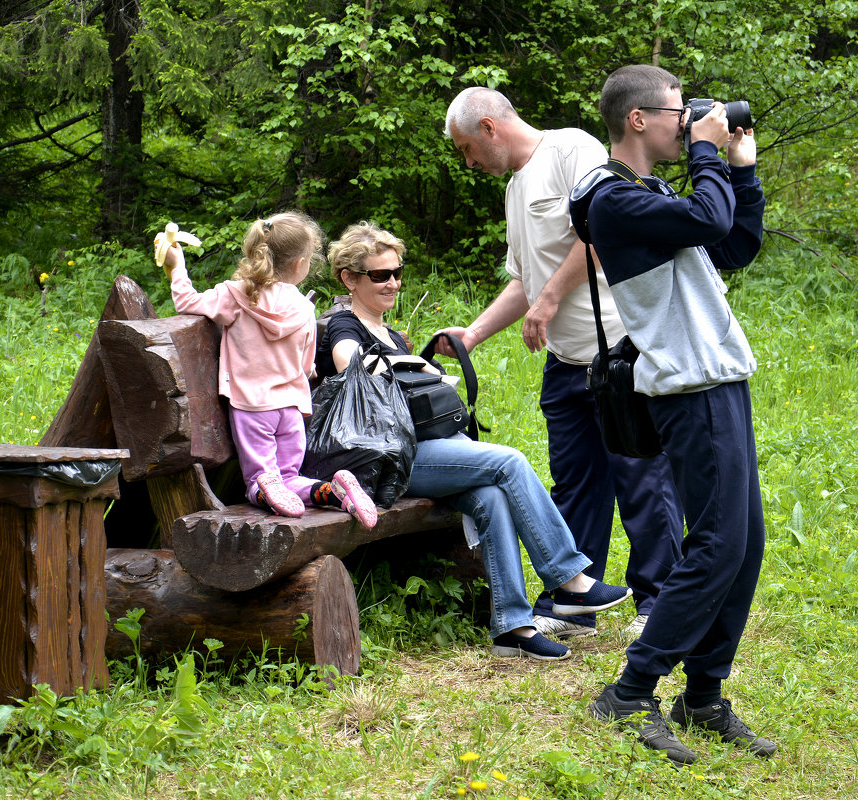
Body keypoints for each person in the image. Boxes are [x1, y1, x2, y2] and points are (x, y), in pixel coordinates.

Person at [568, 65, 776, 763]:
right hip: (688, 389)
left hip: (719, 380)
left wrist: (738, 167)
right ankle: (628, 692)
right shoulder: (610, 201)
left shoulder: (647, 195)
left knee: (743, 546)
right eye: (678, 113)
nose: (686, 123)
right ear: (637, 119)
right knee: (716, 543)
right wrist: (709, 153)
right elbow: (708, 216)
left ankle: (703, 696)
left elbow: (733, 241)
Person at [317, 220, 632, 660]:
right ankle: (567, 580)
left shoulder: (390, 331)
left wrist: (414, 361)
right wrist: (417, 364)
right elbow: (351, 363)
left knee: (492, 496)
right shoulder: (342, 324)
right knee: (509, 462)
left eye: (396, 272)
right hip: (384, 462)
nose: (392, 283)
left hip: (419, 446)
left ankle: (513, 628)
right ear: (348, 278)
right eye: (379, 275)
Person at [438, 87, 684, 642]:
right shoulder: (514, 190)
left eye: (467, 148)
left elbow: (604, 230)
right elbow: (525, 280)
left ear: (489, 127)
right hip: (566, 361)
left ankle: (659, 602)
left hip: (620, 350)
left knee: (641, 475)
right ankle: (577, 600)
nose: (469, 162)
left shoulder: (571, 149)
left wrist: (548, 300)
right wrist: (473, 335)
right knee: (575, 483)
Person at [162, 212, 378, 528]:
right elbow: (307, 367)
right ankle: (332, 490)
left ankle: (265, 483)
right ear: (299, 263)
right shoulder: (305, 308)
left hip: (252, 408)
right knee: (289, 478)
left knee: (259, 482)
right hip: (292, 410)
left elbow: (186, 302)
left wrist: (176, 267)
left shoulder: (236, 294)